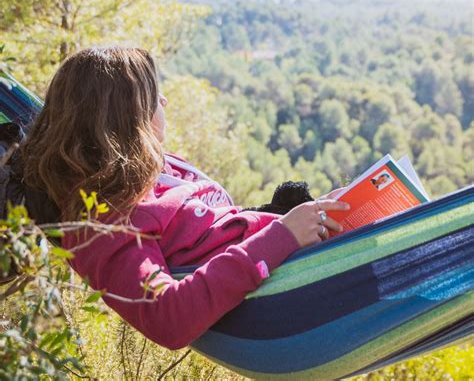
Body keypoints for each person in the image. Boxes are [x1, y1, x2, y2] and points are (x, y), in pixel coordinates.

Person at [19, 46, 350, 350]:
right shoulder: (103, 217)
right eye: (153, 94)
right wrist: (283, 235)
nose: (164, 101)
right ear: (127, 115)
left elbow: (220, 229)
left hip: (304, 252)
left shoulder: (151, 169)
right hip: (286, 292)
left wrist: (310, 214)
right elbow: (168, 319)